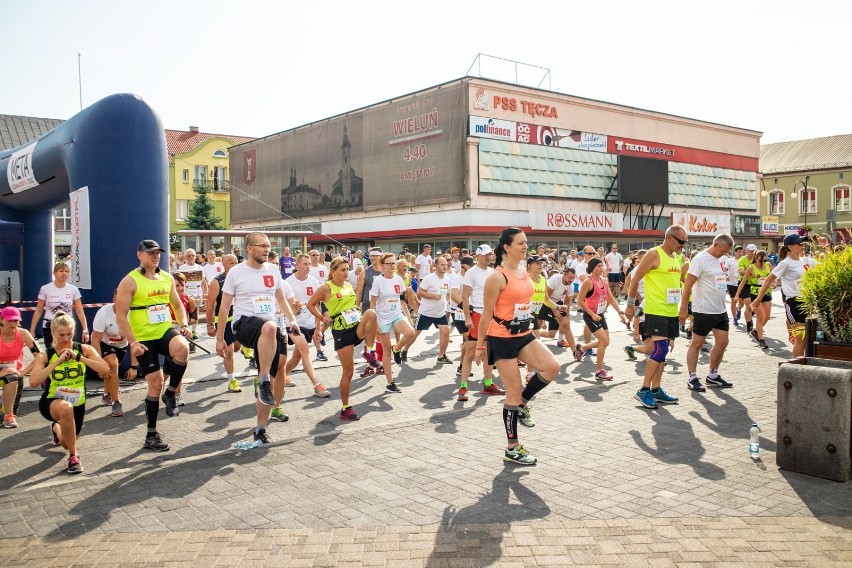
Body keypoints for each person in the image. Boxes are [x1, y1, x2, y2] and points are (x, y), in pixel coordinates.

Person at [475, 228, 560, 465]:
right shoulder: (497, 277)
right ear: (507, 247)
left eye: (526, 243)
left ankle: (522, 403)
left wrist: (554, 309)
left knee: (552, 367)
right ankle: (512, 448)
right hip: (501, 339)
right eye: (520, 243)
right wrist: (480, 347)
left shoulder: (524, 272)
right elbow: (486, 315)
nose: (525, 246)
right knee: (512, 392)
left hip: (524, 333)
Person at [215, 233, 301, 444]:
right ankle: (262, 379)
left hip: (269, 329)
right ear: (249, 249)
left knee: (277, 371)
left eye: (268, 246)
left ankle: (260, 428)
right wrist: (219, 339)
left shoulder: (273, 269)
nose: (266, 249)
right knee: (270, 328)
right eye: (261, 246)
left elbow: (280, 297)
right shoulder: (236, 272)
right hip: (244, 324)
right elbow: (225, 306)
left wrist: (292, 320)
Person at [116, 239, 193, 452]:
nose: (155, 256)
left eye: (158, 252)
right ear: (139, 254)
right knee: (154, 384)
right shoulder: (129, 281)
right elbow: (120, 315)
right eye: (150, 252)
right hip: (143, 338)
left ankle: (171, 393)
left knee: (183, 348)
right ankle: (151, 435)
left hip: (163, 330)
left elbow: (177, 304)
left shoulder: (167, 277)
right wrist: (132, 342)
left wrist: (184, 324)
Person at [29, 311, 108, 473]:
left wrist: (79, 358)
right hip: (52, 401)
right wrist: (57, 361)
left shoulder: (84, 349)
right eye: (61, 335)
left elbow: (106, 370)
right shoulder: (46, 355)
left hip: (78, 402)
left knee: (66, 442)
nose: (66, 339)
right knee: (65, 408)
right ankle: (74, 457)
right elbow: (33, 381)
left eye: (69, 334)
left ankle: (56, 429)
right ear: (53, 333)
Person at [307, 256, 380, 421]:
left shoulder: (348, 285)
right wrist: (321, 321)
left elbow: (353, 306)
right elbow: (310, 304)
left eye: (348, 269)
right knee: (348, 372)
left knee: (371, 314)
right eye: (343, 270)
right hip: (342, 333)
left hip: (356, 327)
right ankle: (345, 408)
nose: (347, 273)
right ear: (333, 272)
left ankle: (369, 352)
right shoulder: (326, 288)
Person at [625, 225, 688, 409]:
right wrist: (630, 305)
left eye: (685, 243)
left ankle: (656, 390)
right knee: (660, 349)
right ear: (669, 237)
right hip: (655, 309)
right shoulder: (654, 254)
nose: (682, 246)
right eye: (680, 242)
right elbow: (635, 278)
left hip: (670, 311)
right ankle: (643, 390)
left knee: (665, 350)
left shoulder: (675, 257)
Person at [680, 234, 736, 391]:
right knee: (696, 343)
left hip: (720, 309)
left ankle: (713, 375)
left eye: (727, 252)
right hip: (703, 310)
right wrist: (683, 309)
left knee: (723, 342)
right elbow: (688, 284)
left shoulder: (720, 260)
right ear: (715, 244)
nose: (724, 254)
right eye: (723, 250)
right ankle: (692, 377)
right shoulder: (700, 259)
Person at [752, 233, 817, 358]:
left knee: (810, 340)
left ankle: (806, 365)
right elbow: (768, 280)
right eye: (800, 244)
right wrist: (758, 299)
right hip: (794, 304)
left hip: (809, 302)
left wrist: (825, 246)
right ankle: (797, 368)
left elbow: (826, 266)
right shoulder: (785, 263)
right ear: (790, 246)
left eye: (803, 243)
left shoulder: (808, 261)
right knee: (800, 340)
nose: (803, 246)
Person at [282, 254, 331, 398]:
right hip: (293, 324)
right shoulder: (288, 282)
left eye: (309, 264)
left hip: (310, 324)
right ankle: (317, 385)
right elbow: (284, 305)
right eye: (305, 264)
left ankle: (281, 375)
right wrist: (295, 308)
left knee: (297, 357)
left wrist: (318, 328)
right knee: (304, 348)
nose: (308, 266)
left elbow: (317, 306)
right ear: (297, 265)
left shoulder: (314, 282)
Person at [460, 245, 502, 400]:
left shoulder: (494, 272)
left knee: (489, 352)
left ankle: (488, 384)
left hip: (492, 315)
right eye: (485, 255)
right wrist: (467, 317)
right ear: (477, 256)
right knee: (470, 351)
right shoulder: (471, 273)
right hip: (477, 314)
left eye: (490, 254)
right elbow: (465, 297)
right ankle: (463, 387)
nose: (488, 257)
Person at [575, 257, 628, 380]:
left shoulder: (604, 280)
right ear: (592, 268)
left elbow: (610, 298)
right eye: (598, 266)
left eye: (602, 266)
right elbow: (580, 301)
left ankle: (582, 348)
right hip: (590, 315)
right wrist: (592, 314)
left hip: (600, 314)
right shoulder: (588, 282)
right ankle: (599, 371)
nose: (601, 268)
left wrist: (620, 312)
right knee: (604, 341)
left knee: (606, 342)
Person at [370, 253, 415, 392]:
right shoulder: (378, 281)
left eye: (393, 263)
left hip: (396, 314)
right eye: (389, 263)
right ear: (382, 266)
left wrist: (407, 317)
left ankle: (397, 348)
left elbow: (402, 300)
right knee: (386, 352)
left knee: (411, 333)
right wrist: (375, 322)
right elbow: (373, 303)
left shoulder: (399, 279)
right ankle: (390, 383)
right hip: (382, 317)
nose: (391, 265)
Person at [90, 291, 134, 417]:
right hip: (104, 344)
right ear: (113, 298)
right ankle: (116, 402)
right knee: (112, 365)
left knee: (110, 371)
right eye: (118, 298)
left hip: (122, 346)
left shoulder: (132, 315)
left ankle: (106, 394)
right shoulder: (104, 313)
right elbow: (95, 340)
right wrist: (99, 363)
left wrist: (134, 367)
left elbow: (135, 342)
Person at [29, 262, 89, 349]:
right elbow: (38, 310)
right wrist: (32, 330)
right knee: (52, 353)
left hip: (67, 325)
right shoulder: (45, 289)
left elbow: (79, 310)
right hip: (50, 325)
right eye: (61, 271)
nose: (64, 273)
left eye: (66, 271)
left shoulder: (73, 289)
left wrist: (85, 329)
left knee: (68, 352)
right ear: (54, 273)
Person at [205, 254, 242, 393]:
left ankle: (244, 348)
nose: (234, 265)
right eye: (231, 263)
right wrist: (209, 325)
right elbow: (209, 304)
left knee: (237, 348)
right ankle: (232, 380)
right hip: (224, 321)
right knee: (230, 351)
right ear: (223, 265)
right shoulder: (217, 282)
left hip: (239, 319)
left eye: (236, 262)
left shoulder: (242, 278)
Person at [410, 256, 453, 365]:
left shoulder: (448, 279)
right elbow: (420, 292)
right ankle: (404, 350)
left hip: (439, 313)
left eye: (446, 265)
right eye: (442, 264)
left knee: (445, 331)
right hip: (426, 312)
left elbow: (448, 293)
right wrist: (433, 296)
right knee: (415, 333)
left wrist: (447, 302)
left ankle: (441, 356)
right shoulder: (429, 278)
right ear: (436, 266)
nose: (444, 266)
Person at [1, 307, 38, 428]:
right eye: (10, 320)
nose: (13, 324)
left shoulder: (23, 333)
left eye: (16, 321)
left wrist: (22, 372)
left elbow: (40, 356)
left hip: (14, 372)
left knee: (12, 379)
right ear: (1, 320)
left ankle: (8, 415)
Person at [735, 249, 774, 350]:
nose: (763, 263)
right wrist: (737, 295)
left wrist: (774, 283)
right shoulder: (751, 268)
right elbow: (743, 282)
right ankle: (761, 340)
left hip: (767, 293)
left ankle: (756, 331)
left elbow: (774, 277)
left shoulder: (769, 265)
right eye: (761, 261)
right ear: (756, 259)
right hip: (755, 294)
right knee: (760, 316)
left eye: (765, 261)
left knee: (767, 316)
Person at [178, 249, 203, 340]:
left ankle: (194, 330)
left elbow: (203, 281)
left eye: (193, 255)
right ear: (185, 257)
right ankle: (185, 328)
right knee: (185, 309)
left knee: (196, 310)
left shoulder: (199, 267)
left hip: (197, 290)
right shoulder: (181, 268)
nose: (191, 257)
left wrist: (204, 292)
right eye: (189, 256)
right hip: (186, 291)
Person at [735, 244, 759, 329]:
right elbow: (741, 272)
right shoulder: (742, 260)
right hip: (744, 283)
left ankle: (740, 310)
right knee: (748, 304)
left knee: (754, 306)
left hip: (754, 284)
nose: (753, 253)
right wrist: (750, 272)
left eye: (754, 251)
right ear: (747, 251)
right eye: (751, 251)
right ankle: (749, 325)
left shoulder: (757, 259)